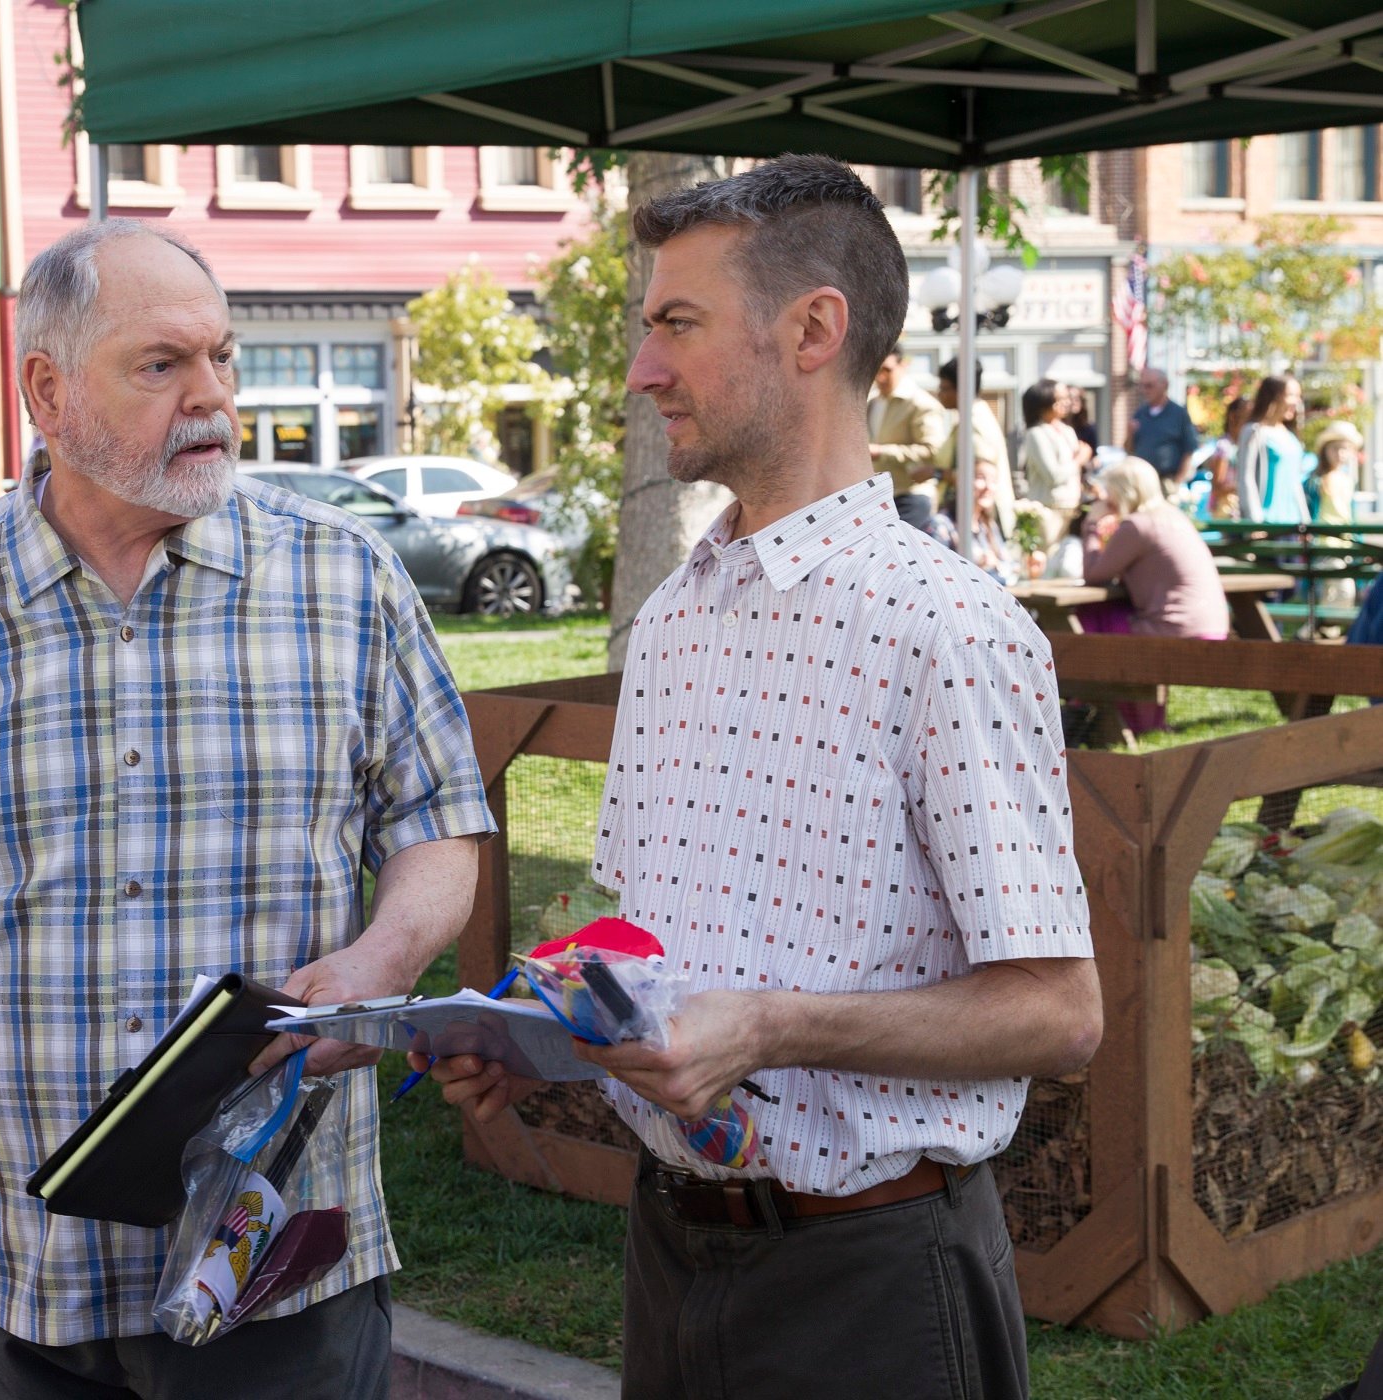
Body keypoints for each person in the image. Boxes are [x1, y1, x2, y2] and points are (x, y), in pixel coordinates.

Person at [417, 155, 1100, 1400]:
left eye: (677, 322)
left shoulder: (945, 626)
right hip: (667, 1247)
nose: (641, 368)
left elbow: (1060, 1010)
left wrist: (774, 1025)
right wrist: (538, 1028)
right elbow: (641, 945)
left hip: (875, 1280)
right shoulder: (675, 616)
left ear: (812, 330)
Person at [0, 219, 493, 1400]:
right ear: (46, 390)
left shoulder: (344, 578)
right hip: (28, 1258)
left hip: (274, 1248)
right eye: (162, 364)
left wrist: (383, 951)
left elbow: (443, 819)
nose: (213, 397)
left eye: (222, 358)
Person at [1082, 456, 1228, 730]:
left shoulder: (1137, 525)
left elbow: (1094, 574)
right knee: (1111, 617)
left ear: (1123, 493)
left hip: (1177, 632)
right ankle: (1138, 718)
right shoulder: (1173, 516)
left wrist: (1091, 524)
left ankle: (1113, 717)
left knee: (1092, 619)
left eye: (1110, 493)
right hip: (1211, 627)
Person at [867, 344, 948, 525]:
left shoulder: (921, 403)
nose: (880, 377)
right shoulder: (871, 402)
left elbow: (933, 449)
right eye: (876, 370)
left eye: (887, 370)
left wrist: (881, 451)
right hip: (879, 497)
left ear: (903, 365)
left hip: (911, 496)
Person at [931, 354, 1008, 519]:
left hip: (976, 517)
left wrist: (935, 473)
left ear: (961, 390)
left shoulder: (975, 422)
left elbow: (980, 475)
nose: (939, 394)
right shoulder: (971, 417)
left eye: (944, 388)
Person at [1235, 375, 1309, 523]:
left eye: (1298, 396)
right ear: (1272, 397)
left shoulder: (1291, 437)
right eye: (1291, 395)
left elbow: (1295, 482)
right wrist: (1255, 520)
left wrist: (1305, 521)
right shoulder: (1254, 431)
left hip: (1293, 523)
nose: (1297, 402)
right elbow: (1245, 478)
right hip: (1266, 521)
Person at [1017, 378, 1082, 541]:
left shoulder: (1068, 431)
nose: (1066, 403)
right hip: (1049, 509)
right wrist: (1079, 460)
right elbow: (1053, 476)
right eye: (1060, 399)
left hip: (1073, 507)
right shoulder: (1036, 434)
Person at [1308, 421, 1363, 611]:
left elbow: (1349, 515)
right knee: (1335, 590)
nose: (1340, 454)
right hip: (1324, 544)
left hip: (1344, 544)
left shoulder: (1348, 480)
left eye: (1345, 449)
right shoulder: (1316, 481)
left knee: (1343, 592)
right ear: (1325, 450)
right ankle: (1323, 628)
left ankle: (1327, 628)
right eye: (1335, 449)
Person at [1127, 368, 1200, 484]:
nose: (1144, 390)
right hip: (1143, 481)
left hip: (1167, 480)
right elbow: (1128, 449)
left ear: (1164, 385)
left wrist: (1178, 482)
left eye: (1149, 386)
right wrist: (1130, 434)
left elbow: (1189, 450)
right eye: (1142, 386)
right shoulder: (1140, 413)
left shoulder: (1179, 414)